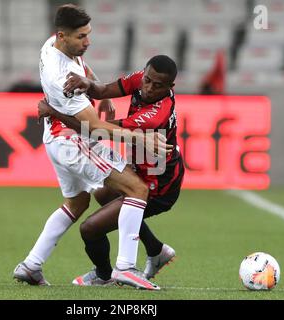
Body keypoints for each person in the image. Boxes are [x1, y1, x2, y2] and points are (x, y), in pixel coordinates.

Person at [13, 4, 171, 290]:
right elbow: (94, 127)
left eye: (89, 34)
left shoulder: (53, 44)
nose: (88, 41)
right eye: (81, 37)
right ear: (62, 35)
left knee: (77, 202)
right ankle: (124, 267)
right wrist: (143, 138)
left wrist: (97, 87)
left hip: (55, 141)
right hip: (74, 142)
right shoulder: (62, 81)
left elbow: (80, 65)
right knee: (137, 189)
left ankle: (31, 265)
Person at [38, 55, 185, 286]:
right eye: (147, 80)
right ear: (144, 73)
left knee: (90, 230)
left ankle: (104, 275)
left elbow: (96, 130)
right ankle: (156, 251)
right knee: (102, 193)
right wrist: (88, 84)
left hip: (159, 187)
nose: (148, 88)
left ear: (170, 87)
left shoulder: (157, 113)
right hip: (141, 172)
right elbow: (103, 90)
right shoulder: (140, 80)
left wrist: (54, 111)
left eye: (157, 86)